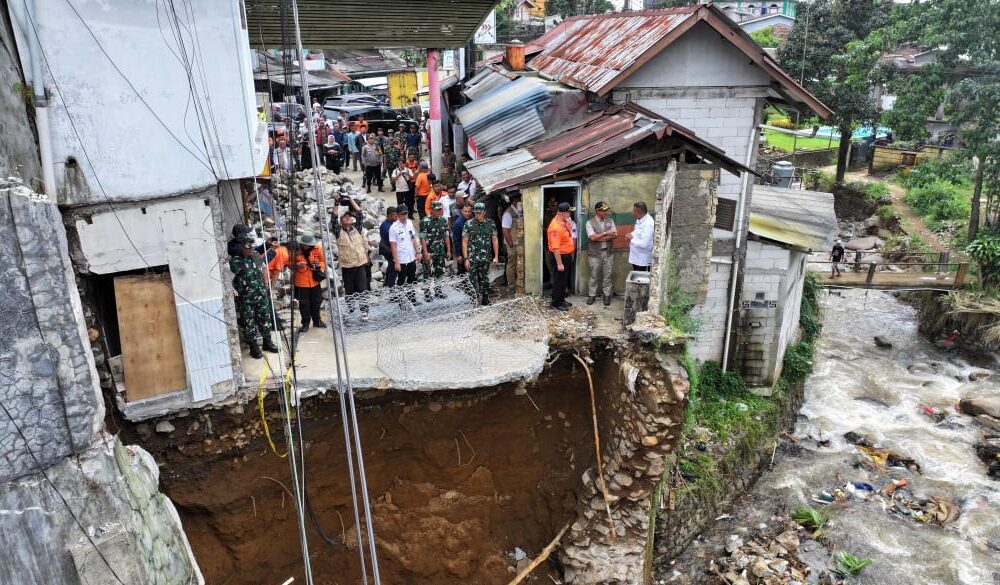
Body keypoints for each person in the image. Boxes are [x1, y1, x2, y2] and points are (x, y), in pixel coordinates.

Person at [228, 225, 280, 358]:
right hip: (246, 299)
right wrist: (232, 289)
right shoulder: (235, 262)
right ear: (242, 248)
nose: (251, 249)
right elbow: (227, 279)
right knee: (249, 323)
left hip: (261, 295)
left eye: (252, 247)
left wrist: (266, 283)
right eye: (248, 247)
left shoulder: (256, 256)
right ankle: (253, 347)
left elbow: (263, 268)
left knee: (265, 319)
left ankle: (267, 342)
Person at [332, 213, 371, 320]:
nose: (348, 217)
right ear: (341, 220)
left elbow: (359, 215)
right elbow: (333, 220)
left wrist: (350, 199)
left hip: (360, 265)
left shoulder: (357, 229)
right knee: (349, 289)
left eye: (349, 216)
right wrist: (336, 203)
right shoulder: (338, 232)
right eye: (345, 217)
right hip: (347, 266)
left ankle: (364, 311)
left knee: (362, 289)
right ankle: (351, 309)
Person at [463, 201, 499, 306]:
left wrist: (496, 256)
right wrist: (466, 258)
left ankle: (485, 298)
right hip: (472, 257)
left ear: (484, 212)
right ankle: (473, 300)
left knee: (485, 279)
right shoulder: (468, 224)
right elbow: (464, 242)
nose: (477, 215)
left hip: (485, 257)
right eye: (475, 213)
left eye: (479, 213)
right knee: (471, 279)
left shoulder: (490, 223)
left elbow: (495, 240)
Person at [293, 232, 326, 333]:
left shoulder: (317, 248)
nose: (306, 246)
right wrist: (297, 265)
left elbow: (323, 261)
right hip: (301, 281)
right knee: (304, 304)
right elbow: (289, 263)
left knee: (316, 301)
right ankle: (305, 323)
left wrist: (319, 266)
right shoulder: (295, 250)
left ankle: (317, 321)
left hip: (314, 281)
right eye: (305, 244)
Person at [586, 201, 617, 306]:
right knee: (593, 275)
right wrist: (605, 233)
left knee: (607, 275)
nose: (606, 212)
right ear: (597, 211)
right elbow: (592, 237)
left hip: (608, 253)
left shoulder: (610, 221)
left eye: (606, 210)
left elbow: (614, 235)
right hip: (594, 254)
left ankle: (607, 295)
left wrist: (599, 237)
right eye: (603, 210)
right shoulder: (590, 222)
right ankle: (592, 295)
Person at [389, 204, 421, 305]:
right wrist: (396, 262)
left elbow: (413, 239)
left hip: (411, 256)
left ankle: (412, 298)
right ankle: (401, 301)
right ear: (398, 215)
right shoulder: (393, 228)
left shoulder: (410, 223)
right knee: (401, 280)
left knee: (412, 278)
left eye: (406, 213)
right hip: (401, 258)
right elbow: (393, 246)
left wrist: (417, 253)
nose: (404, 216)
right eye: (402, 214)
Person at [547, 202, 576, 311]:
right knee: (558, 280)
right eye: (569, 212)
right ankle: (556, 303)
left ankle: (561, 299)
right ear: (563, 213)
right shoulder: (555, 227)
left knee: (563, 280)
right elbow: (556, 248)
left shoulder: (563, 222)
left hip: (566, 255)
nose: (570, 214)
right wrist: (559, 263)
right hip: (559, 256)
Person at [421, 200, 452, 300]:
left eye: (440, 209)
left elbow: (446, 236)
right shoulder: (424, 221)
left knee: (440, 272)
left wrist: (448, 250)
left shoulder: (443, 220)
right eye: (437, 210)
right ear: (431, 210)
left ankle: (438, 291)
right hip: (429, 251)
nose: (439, 211)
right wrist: (425, 253)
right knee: (427, 273)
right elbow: (423, 238)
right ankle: (427, 293)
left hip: (440, 251)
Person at [626, 201, 654, 271]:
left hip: (643, 261)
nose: (633, 213)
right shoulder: (640, 219)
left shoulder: (648, 224)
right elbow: (637, 231)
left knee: (641, 280)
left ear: (638, 212)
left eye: (634, 211)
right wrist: (631, 234)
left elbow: (644, 244)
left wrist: (631, 240)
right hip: (636, 258)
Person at [379, 206, 398, 288]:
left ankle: (387, 283)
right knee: (393, 268)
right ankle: (391, 287)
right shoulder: (387, 226)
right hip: (389, 250)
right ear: (389, 215)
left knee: (391, 266)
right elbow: (392, 241)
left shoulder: (389, 224)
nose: (396, 217)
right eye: (395, 215)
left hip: (388, 248)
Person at [452, 203, 471, 275]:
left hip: (470, 250)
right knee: (462, 273)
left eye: (469, 211)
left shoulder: (472, 221)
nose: (467, 213)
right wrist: (458, 255)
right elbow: (456, 240)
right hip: (462, 251)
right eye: (465, 211)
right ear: (461, 212)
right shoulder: (458, 223)